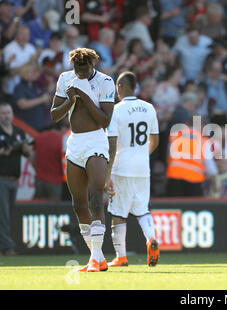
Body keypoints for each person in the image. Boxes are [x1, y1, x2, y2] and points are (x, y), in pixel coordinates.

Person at [50, 48, 115, 272]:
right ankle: (96, 257)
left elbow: (105, 120)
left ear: (92, 66)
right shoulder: (65, 79)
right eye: (77, 70)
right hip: (75, 142)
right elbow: (55, 115)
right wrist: (70, 100)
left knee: (96, 196)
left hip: (96, 140)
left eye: (84, 71)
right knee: (78, 204)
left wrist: (85, 97)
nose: (80, 75)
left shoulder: (106, 82)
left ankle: (97, 258)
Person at [105, 71, 160, 267]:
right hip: (142, 167)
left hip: (122, 167)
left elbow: (112, 144)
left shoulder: (116, 111)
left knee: (119, 213)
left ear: (119, 88)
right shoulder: (149, 108)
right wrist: (143, 155)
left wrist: (107, 174)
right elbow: (155, 140)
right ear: (135, 87)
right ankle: (151, 239)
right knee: (142, 210)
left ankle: (121, 256)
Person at [0, 101, 32, 256]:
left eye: (8, 113)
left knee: (9, 214)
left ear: (12, 115)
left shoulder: (18, 131)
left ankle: (5, 245)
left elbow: (28, 153)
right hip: (1, 178)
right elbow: (3, 152)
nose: (6, 116)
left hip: (14, 179)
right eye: (3, 113)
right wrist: (12, 149)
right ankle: (7, 248)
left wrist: (24, 148)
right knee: (3, 215)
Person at [31, 119, 69, 200]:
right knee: (53, 210)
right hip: (55, 181)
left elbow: (32, 156)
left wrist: (37, 168)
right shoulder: (63, 141)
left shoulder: (39, 137)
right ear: (63, 128)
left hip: (39, 179)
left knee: (38, 209)